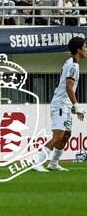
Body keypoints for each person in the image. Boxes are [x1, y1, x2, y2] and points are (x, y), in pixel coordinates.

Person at [36, 36, 86, 172]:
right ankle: (37, 161)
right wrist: (76, 105)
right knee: (58, 135)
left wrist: (72, 106)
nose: (86, 49)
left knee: (66, 135)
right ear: (78, 49)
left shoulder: (70, 62)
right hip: (60, 104)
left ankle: (54, 163)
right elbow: (68, 87)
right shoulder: (73, 65)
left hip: (65, 104)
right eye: (85, 47)